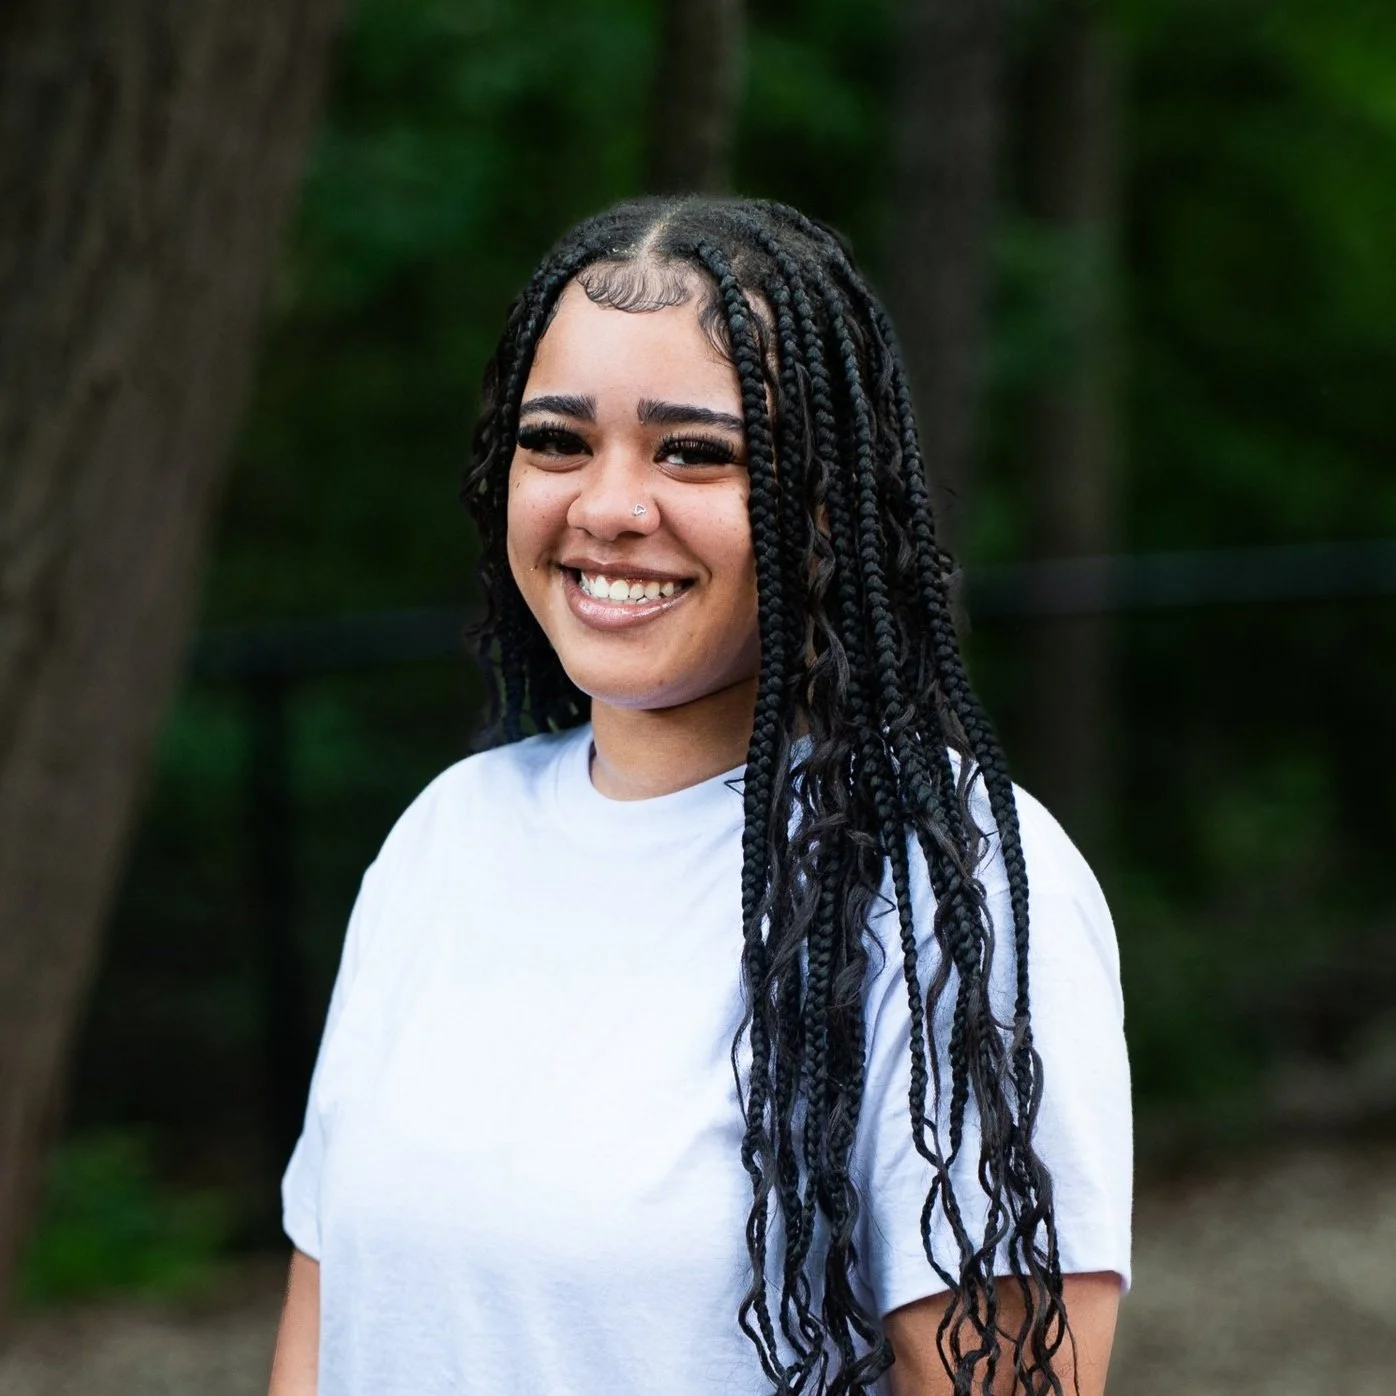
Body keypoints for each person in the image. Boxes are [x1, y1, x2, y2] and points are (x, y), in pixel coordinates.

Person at [267, 196, 1131, 1396]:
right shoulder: (442, 840)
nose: (609, 506)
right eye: (556, 440)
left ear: (828, 502)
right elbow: (323, 1332)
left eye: (695, 450)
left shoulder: (945, 877)